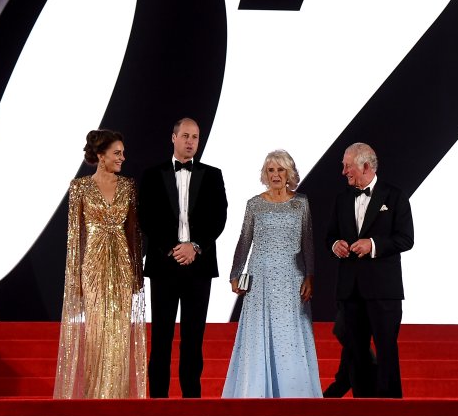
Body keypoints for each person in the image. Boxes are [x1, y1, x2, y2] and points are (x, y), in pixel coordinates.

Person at [138, 117, 228, 398]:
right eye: (186, 136)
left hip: (198, 267)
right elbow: (146, 217)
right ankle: (158, 402)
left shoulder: (213, 174)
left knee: (193, 338)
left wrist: (195, 246)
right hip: (164, 266)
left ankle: (192, 400)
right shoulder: (153, 174)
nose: (191, 142)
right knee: (161, 337)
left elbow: (219, 217)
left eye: (196, 137)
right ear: (173, 138)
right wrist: (173, 247)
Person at [221, 150, 322, 398]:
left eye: (280, 170)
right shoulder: (254, 204)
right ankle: (255, 391)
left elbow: (307, 242)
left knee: (289, 335)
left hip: (291, 278)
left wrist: (310, 275)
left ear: (289, 173)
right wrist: (235, 273)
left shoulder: (301, 203)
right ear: (265, 174)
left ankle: (294, 393)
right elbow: (245, 241)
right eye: (271, 170)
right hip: (260, 279)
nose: (275, 175)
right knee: (258, 334)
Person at [54, 129, 146, 399]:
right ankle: (95, 398)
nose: (122, 158)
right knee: (96, 332)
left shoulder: (128, 186)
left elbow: (133, 233)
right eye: (117, 153)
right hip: (92, 266)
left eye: (123, 153)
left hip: (121, 264)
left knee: (119, 333)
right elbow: (75, 237)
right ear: (100, 155)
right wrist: (75, 280)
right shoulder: (79, 187)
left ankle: (118, 398)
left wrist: (136, 274)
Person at [326, 142, 414, 398]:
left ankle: (391, 410)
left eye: (347, 166)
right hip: (350, 289)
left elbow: (405, 239)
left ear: (365, 166)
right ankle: (362, 407)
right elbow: (329, 235)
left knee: (386, 349)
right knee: (355, 351)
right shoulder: (342, 199)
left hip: (384, 290)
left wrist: (373, 244)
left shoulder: (395, 196)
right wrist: (335, 245)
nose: (343, 171)